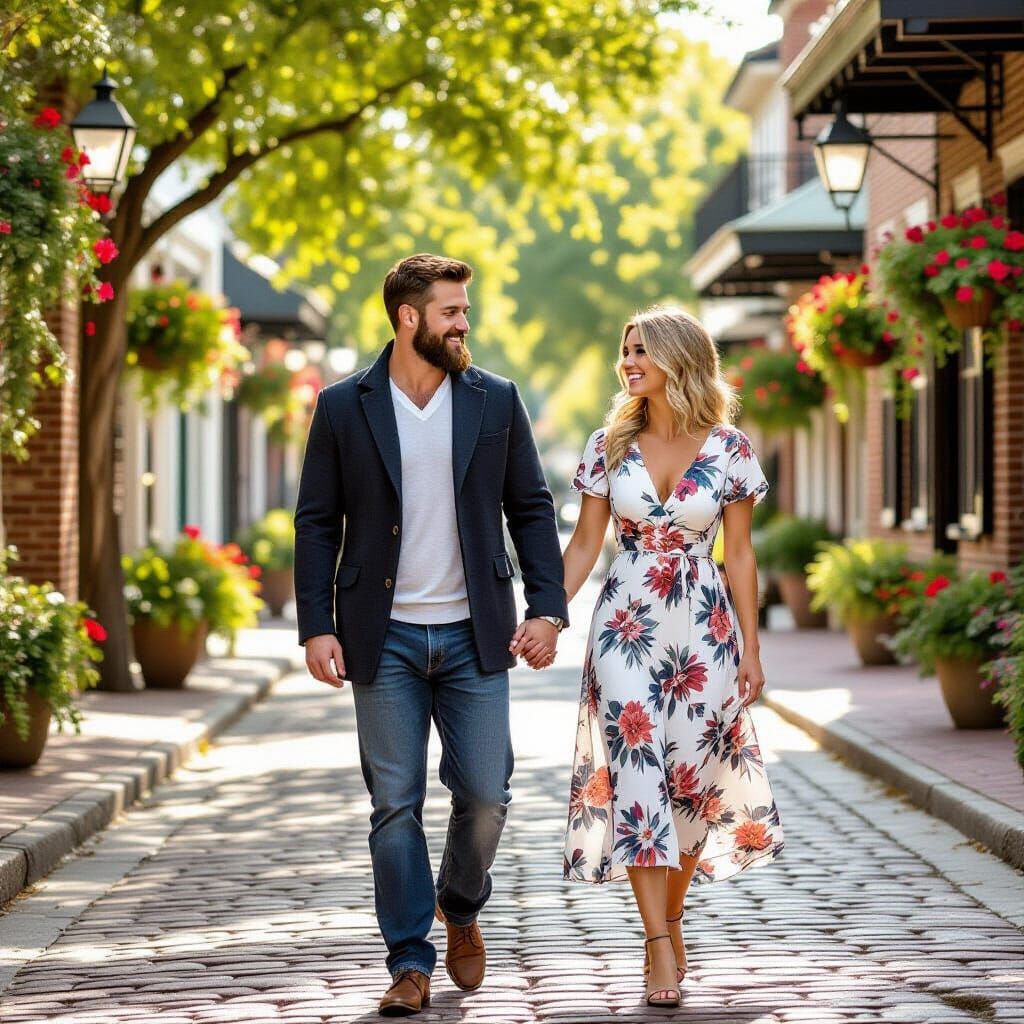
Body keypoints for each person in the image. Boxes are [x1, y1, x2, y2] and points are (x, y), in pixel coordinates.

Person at [293, 253, 568, 1017]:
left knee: (487, 794)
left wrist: (546, 609)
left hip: (475, 633)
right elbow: (317, 521)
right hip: (383, 639)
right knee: (394, 804)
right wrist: (316, 625)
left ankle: (462, 902)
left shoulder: (495, 400)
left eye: (465, 310)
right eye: (451, 310)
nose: (464, 323)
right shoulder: (345, 406)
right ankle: (409, 962)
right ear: (409, 317)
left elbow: (533, 508)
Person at [560, 305, 784, 1008]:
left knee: (692, 782)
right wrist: (543, 614)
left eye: (640, 352)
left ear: (678, 359)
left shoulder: (730, 448)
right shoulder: (608, 444)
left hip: (705, 626)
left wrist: (751, 647)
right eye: (625, 351)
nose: (627, 363)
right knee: (636, 773)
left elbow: (740, 554)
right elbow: (584, 545)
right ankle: (656, 943)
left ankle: (674, 916)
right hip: (626, 621)